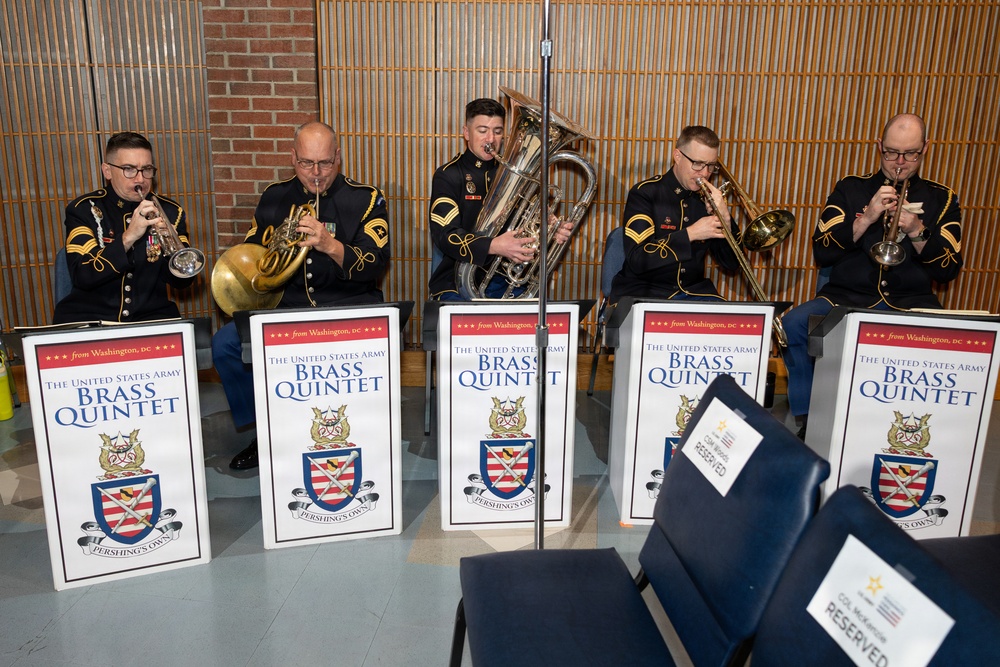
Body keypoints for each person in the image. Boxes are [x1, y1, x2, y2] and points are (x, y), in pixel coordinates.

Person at [212, 121, 390, 469]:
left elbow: (376, 263)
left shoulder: (366, 198)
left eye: (325, 163)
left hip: (346, 305)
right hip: (287, 306)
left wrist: (330, 244)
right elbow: (253, 258)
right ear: (292, 158)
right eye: (306, 163)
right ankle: (264, 431)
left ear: (338, 157)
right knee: (225, 344)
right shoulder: (274, 196)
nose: (317, 174)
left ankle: (360, 433)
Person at [782, 113, 963, 437]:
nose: (900, 162)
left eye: (911, 154)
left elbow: (948, 270)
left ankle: (918, 426)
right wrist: (866, 218)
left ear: (926, 149)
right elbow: (822, 251)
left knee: (951, 340)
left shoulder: (943, 198)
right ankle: (811, 420)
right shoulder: (850, 188)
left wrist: (917, 229)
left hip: (911, 300)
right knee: (794, 324)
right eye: (891, 152)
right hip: (845, 297)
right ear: (879, 146)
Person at [427, 97, 572, 300]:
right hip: (455, 281)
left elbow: (525, 230)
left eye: (497, 131)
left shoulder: (515, 175)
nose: (490, 139)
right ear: (466, 133)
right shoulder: (449, 175)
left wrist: (548, 233)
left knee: (542, 312)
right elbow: (445, 235)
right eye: (482, 130)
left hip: (504, 279)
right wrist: (493, 246)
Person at [53, 131, 195, 323]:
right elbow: (83, 275)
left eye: (146, 169)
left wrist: (171, 247)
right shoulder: (84, 210)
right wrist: (128, 238)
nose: (140, 179)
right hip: (92, 319)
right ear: (107, 171)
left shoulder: (171, 211)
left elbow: (182, 282)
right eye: (129, 169)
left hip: (150, 318)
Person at [609, 125, 740, 303]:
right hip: (645, 293)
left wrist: (726, 219)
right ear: (677, 156)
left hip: (695, 294)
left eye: (711, 166)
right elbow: (638, 260)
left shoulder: (707, 201)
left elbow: (732, 264)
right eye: (698, 163)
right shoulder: (645, 194)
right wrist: (691, 234)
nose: (705, 173)